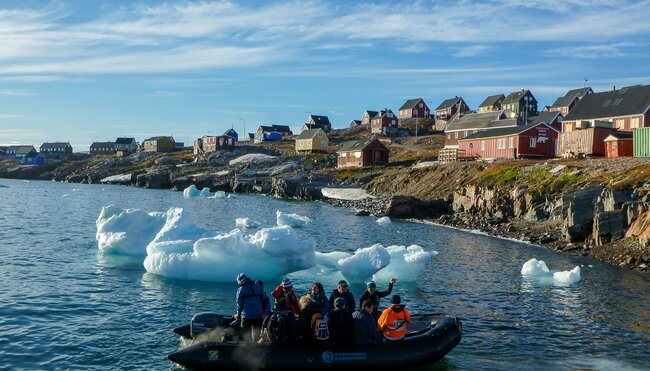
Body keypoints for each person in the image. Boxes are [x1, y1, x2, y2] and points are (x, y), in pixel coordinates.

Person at [235, 273, 267, 341]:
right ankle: (259, 349)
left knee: (245, 337)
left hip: (247, 317)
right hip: (258, 315)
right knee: (257, 336)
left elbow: (239, 304)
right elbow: (264, 299)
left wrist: (238, 314)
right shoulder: (258, 287)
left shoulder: (241, 289)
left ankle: (247, 349)